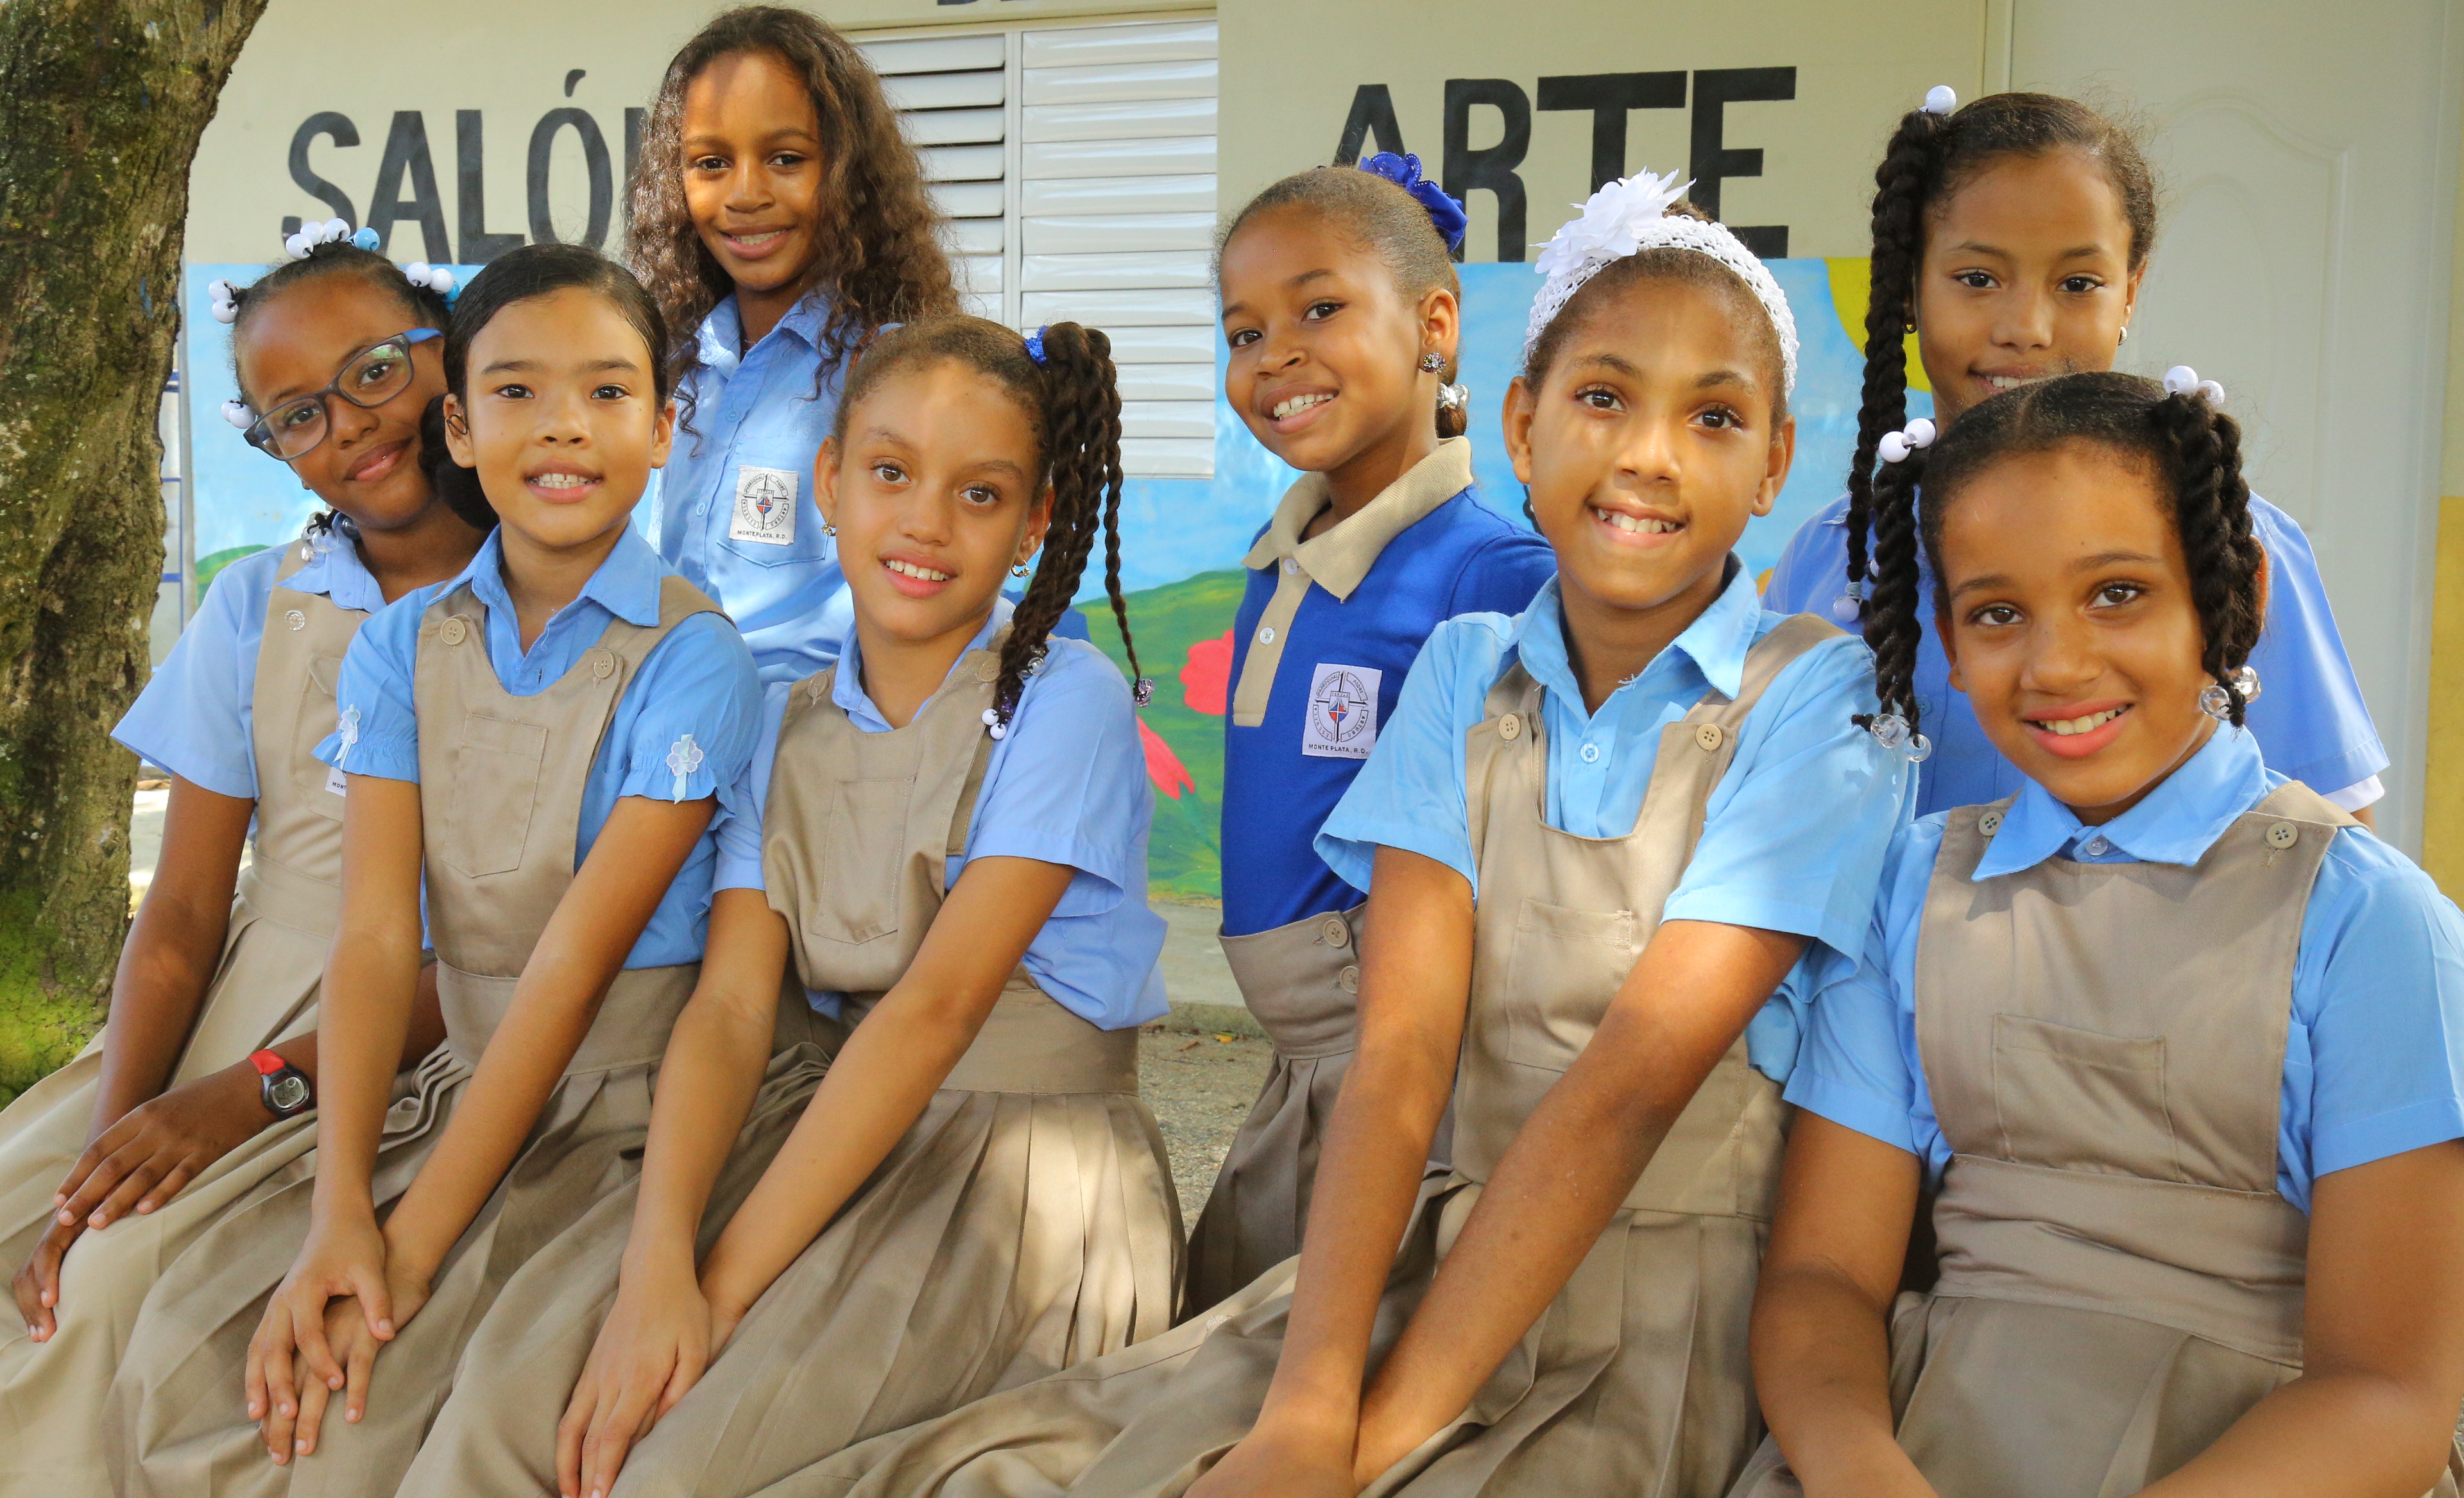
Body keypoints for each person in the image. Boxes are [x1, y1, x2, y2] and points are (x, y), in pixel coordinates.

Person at [788, 169, 1911, 1498]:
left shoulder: (1821, 701)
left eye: (1714, 416)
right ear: (1526, 420)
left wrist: (1370, 1447)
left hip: (1639, 1310)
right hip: (1406, 1246)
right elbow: (1403, 1052)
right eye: (1604, 396)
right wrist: (1308, 1409)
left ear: (1778, 458)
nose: (1650, 453)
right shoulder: (1465, 666)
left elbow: (1626, 1089)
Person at [397, 314, 1179, 1498]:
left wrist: (715, 1296)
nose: (924, 522)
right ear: (827, 482)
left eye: (980, 495)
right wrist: (662, 1264)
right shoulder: (786, 717)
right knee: (522, 1398)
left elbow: (933, 1014)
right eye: (889, 473)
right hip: (832, 1129)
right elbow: (726, 1012)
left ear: (1036, 523)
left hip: (1011, 1178)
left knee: (678, 1461)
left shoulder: (1063, 700)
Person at [108, 244, 766, 1498]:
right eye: (516, 391)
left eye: (610, 392)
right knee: (192, 1359)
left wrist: (405, 1246)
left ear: (666, 425)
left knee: (405, 1428)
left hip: (613, 1115)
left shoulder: (696, 660)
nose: (564, 425)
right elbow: (370, 942)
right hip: (446, 1083)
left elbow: (569, 970)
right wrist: (341, 1207)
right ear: (458, 424)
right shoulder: (399, 644)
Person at [1739, 368, 2464, 1498]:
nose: (2058, 665)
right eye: (1997, 614)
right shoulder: (1908, 886)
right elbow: (1823, 1278)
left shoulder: (2369, 923)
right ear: (1946, 635)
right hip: (1917, 1448)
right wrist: (1859, 1471)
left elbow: (2388, 1395)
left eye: (2118, 593)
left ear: (2235, 590)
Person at [0, 224, 488, 1497]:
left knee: (127, 1308)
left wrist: (256, 1092)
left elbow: (521, 947)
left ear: (449, 351)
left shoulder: (555, 600)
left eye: (378, 367)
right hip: (240, 1006)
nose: (352, 423)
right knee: (44, 1235)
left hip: (439, 1034)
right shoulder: (258, 607)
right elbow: (180, 914)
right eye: (298, 413)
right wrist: (103, 1156)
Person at [1761, 88, 2386, 819]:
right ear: (1907, 288)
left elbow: (2334, 836)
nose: (2026, 326)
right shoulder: (1830, 559)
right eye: (1977, 279)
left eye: (2079, 284)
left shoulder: (2217, 540)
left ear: (2130, 294)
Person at [1187, 154, 1552, 1309]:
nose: (1276, 355)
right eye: (1245, 331)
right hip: (1298, 1072)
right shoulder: (1279, 558)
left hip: (1398, 1077)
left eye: (1321, 309)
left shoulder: (1490, 572)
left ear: (1434, 323)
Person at [630, 3, 959, 683]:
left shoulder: (894, 373)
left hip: (812, 750)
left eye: (786, 159)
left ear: (848, 174)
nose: (745, 194)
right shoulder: (671, 361)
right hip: (670, 728)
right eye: (711, 162)